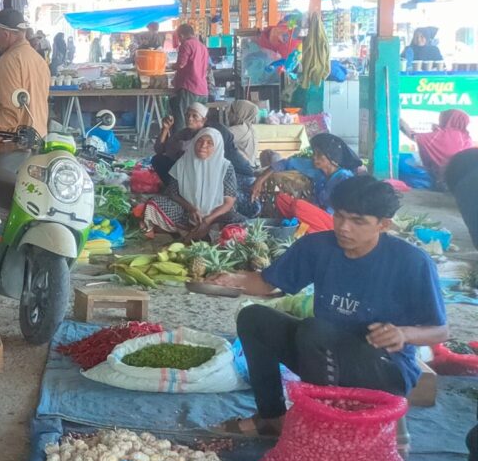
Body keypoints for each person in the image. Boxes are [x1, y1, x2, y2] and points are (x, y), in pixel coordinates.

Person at [213, 176, 447, 437]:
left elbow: (439, 331)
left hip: (381, 368)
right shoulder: (317, 247)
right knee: (253, 318)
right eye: (339, 216)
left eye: (358, 221)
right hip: (320, 353)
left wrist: (404, 334)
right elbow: (266, 284)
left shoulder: (411, 262)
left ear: (383, 224)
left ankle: (318, 424)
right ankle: (272, 417)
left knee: (314, 330)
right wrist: (231, 279)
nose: (344, 228)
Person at [0, 7, 51, 175]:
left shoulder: (9, 61)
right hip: (36, 140)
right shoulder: (38, 60)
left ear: (6, 34)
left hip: (12, 146)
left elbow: (10, 110)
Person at [138, 129, 242, 239]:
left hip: (215, 217)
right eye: (200, 141)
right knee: (154, 203)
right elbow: (173, 193)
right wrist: (192, 209)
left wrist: (207, 220)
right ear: (194, 142)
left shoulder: (225, 167)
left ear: (217, 147)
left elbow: (229, 202)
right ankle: (195, 231)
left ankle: (192, 232)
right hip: (187, 213)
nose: (203, 146)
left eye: (210, 143)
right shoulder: (182, 163)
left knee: (235, 221)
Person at [251, 132, 361, 212]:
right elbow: (285, 163)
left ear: (332, 158)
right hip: (313, 214)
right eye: (314, 153)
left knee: (298, 207)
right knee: (281, 200)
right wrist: (260, 180)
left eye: (319, 154)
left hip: (331, 221)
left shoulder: (344, 178)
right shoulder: (316, 168)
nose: (314, 157)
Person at [401, 109, 473, 186]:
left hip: (443, 180)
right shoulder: (467, 138)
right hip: (464, 181)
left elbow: (414, 136)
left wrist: (399, 121)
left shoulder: (440, 135)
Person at [150, 100, 208, 180]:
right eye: (187, 115)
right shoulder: (184, 133)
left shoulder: (206, 135)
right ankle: (173, 185)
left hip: (198, 171)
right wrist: (165, 129)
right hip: (182, 168)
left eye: (194, 116)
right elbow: (159, 150)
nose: (189, 118)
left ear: (203, 120)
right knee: (158, 159)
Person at [172, 23, 210, 129]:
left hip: (189, 88)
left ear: (181, 36)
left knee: (183, 121)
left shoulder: (186, 44)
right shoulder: (203, 47)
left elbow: (181, 64)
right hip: (203, 89)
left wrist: (170, 66)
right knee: (199, 123)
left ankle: (180, 140)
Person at [219, 99, 260, 167]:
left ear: (239, 114)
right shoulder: (250, 127)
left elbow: (216, 140)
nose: (228, 114)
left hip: (241, 169)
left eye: (231, 111)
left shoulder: (239, 129)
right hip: (249, 166)